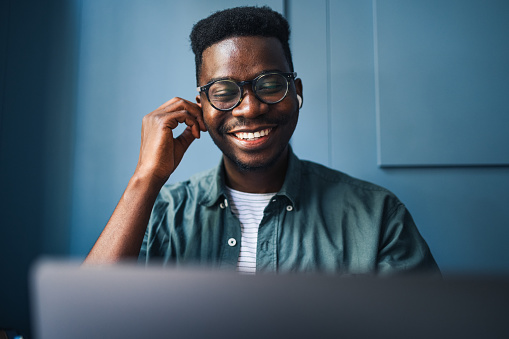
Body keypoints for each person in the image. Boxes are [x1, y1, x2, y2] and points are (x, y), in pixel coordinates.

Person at [85, 6, 439, 275]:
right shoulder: (159, 215)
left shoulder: (377, 218)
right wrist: (145, 179)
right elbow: (82, 324)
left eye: (270, 84)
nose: (250, 108)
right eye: (224, 92)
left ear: (296, 92)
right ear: (201, 109)